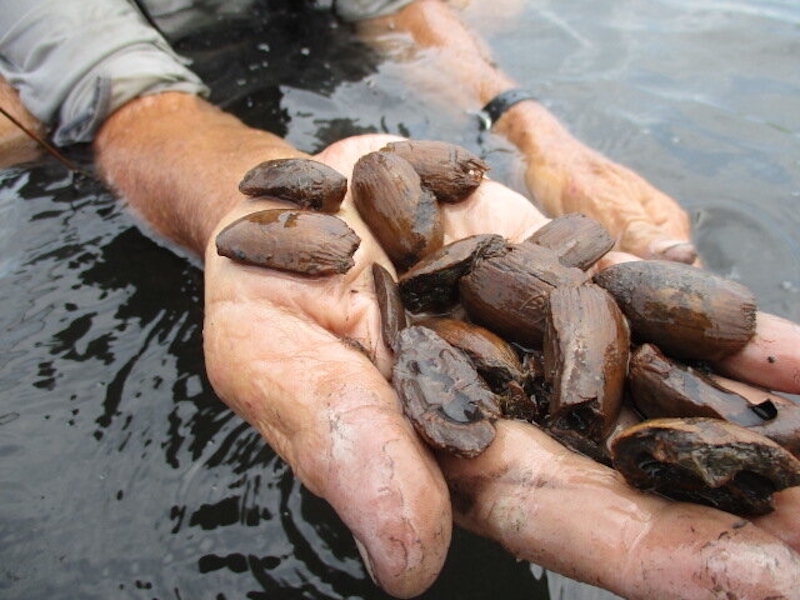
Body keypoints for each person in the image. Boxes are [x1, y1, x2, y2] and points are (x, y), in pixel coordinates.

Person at [2, 1, 800, 598]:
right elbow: (127, 105)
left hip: (304, 68)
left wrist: (530, 128)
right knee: (35, 122)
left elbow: (397, 11)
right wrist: (235, 205)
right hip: (144, 113)